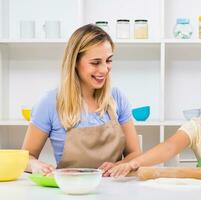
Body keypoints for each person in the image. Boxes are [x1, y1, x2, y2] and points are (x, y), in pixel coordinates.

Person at [22, 24, 141, 176]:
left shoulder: (116, 97)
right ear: (75, 62)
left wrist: (120, 165)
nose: (104, 69)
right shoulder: (50, 102)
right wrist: (36, 165)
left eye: (108, 60)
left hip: (114, 189)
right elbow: (26, 157)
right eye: (95, 62)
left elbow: (135, 154)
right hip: (70, 191)